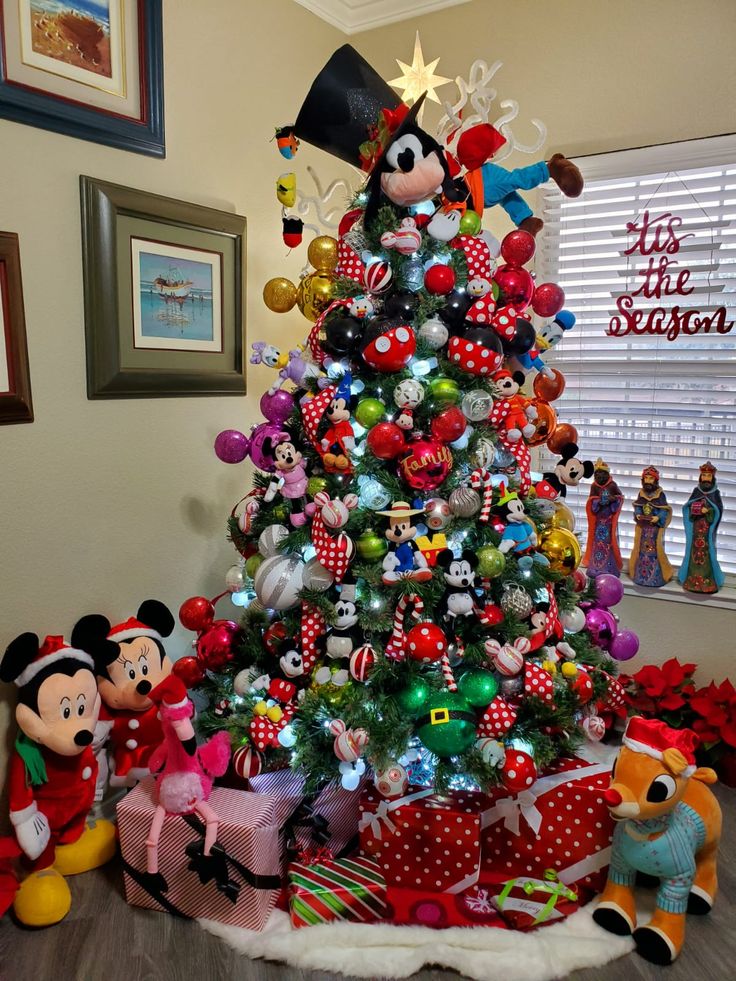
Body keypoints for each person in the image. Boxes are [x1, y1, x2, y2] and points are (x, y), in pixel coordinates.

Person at [678, 462, 725, 594]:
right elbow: (689, 506)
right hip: (696, 530)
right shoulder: (696, 491)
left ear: (712, 477)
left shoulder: (715, 493)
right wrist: (694, 509)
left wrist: (709, 511)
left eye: (708, 476)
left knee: (707, 555)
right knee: (694, 555)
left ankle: (707, 581)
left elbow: (718, 510)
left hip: (707, 532)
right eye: (703, 475)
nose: (705, 478)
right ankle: (692, 580)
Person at [629, 466, 673, 587]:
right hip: (643, 530)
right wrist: (638, 515)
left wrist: (658, 518)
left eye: (651, 478)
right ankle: (641, 576)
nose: (648, 481)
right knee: (641, 553)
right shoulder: (641, 493)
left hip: (654, 532)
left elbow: (664, 510)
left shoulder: (660, 495)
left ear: (656, 480)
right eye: (646, 478)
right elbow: (638, 506)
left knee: (655, 553)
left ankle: (655, 577)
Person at [583, 459, 623, 577]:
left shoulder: (612, 485)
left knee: (608, 542)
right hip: (598, 520)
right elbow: (591, 501)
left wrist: (613, 499)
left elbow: (619, 497)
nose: (599, 476)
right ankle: (595, 566)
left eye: (601, 473)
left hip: (609, 521)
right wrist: (597, 502)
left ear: (607, 474)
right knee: (597, 543)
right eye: (596, 474)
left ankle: (608, 568)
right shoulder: (594, 486)